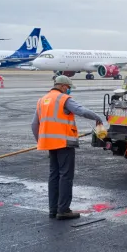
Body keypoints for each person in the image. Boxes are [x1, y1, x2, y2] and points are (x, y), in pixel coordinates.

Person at [31, 75, 103, 220]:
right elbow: (81, 111)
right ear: (63, 86)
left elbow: (34, 125)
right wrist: (97, 117)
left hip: (49, 144)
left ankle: (53, 209)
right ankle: (63, 210)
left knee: (54, 175)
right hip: (64, 143)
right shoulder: (63, 99)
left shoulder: (42, 101)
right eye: (69, 88)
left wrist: (41, 141)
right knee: (65, 176)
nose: (69, 91)